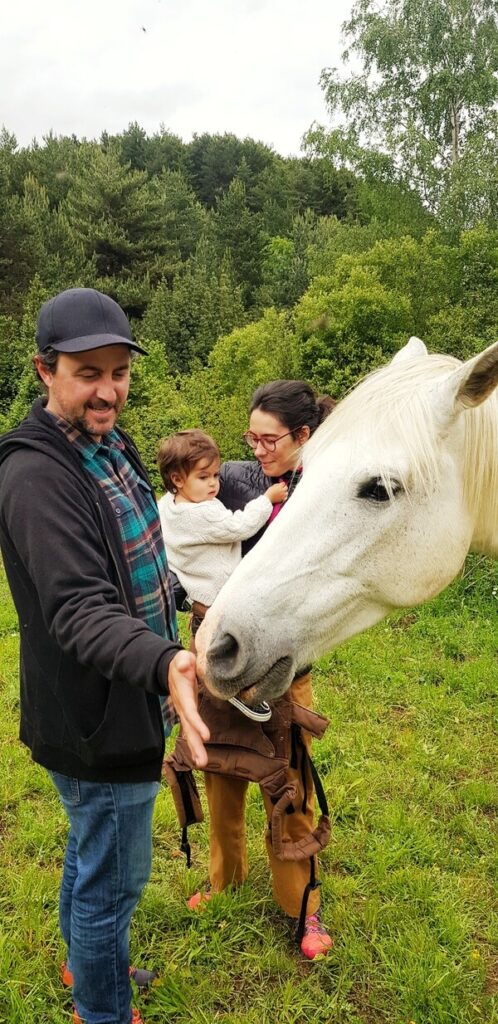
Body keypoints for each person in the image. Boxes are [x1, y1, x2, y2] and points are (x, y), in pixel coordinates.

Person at [0, 287, 209, 1024]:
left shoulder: (110, 444)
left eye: (118, 371)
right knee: (112, 880)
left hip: (128, 690)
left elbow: (136, 552)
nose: (108, 390)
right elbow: (79, 608)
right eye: (87, 371)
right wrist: (166, 664)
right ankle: (103, 1007)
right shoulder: (36, 476)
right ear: (43, 369)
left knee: (94, 855)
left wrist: (185, 596)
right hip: (96, 714)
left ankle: (83, 962)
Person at [186, 380, 336, 960]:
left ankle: (302, 907)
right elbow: (196, 527)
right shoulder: (244, 481)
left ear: (303, 435)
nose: (256, 448)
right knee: (220, 764)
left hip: (282, 664)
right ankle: (224, 878)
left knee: (286, 783)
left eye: (268, 438)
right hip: (221, 648)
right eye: (250, 436)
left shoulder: (327, 489)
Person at [156, 428, 288, 721]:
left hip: (199, 598)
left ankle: (188, 693)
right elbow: (239, 526)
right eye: (203, 478)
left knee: (200, 648)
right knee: (228, 656)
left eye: (216, 475)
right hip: (221, 599)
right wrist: (267, 498)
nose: (214, 484)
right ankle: (236, 693)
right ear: (177, 479)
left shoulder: (167, 506)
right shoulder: (203, 514)